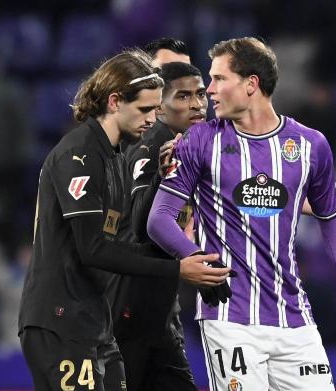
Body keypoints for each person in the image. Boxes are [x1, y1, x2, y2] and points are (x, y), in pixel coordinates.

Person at [147, 37, 336, 390]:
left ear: (251, 84)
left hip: (295, 320)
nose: (209, 90)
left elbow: (332, 228)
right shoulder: (199, 141)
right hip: (229, 317)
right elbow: (159, 218)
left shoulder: (309, 145)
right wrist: (197, 258)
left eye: (220, 79)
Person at [17, 49, 231, 391]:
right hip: (60, 320)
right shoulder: (80, 155)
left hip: (95, 321)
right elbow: (93, 249)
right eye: (145, 109)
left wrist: (162, 183)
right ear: (115, 101)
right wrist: (177, 269)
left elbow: (124, 239)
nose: (152, 118)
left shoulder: (115, 156)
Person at [110, 61, 208, 391]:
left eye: (201, 94)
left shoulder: (190, 146)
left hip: (158, 312)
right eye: (183, 96)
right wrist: (160, 176)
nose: (196, 104)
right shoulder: (152, 145)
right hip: (128, 311)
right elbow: (140, 226)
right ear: (160, 108)